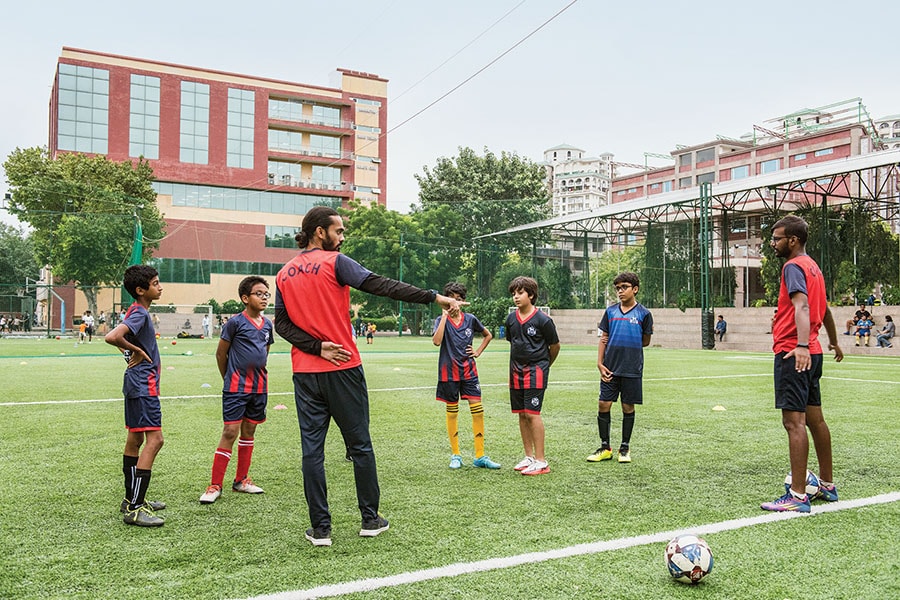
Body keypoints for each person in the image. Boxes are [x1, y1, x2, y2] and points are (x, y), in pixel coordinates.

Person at [274, 206, 464, 547]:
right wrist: (435, 297)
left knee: (311, 452)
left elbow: (282, 324)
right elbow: (383, 286)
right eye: (339, 231)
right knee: (360, 445)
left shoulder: (284, 273)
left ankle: (320, 529)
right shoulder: (336, 262)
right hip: (343, 369)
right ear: (320, 232)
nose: (342, 237)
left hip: (305, 373)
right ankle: (370, 519)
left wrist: (316, 348)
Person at [761, 215, 843, 513]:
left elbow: (803, 306)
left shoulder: (793, 266)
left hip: (794, 353)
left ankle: (797, 496)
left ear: (792, 240)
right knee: (815, 420)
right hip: (814, 350)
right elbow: (826, 310)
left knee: (793, 423)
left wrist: (800, 345)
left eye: (776, 238)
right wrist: (832, 341)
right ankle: (828, 485)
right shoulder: (814, 268)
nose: (772, 243)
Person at [200, 276, 274, 504]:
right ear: (245, 298)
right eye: (258, 293)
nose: (264, 298)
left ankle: (241, 480)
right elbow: (221, 354)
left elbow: (265, 352)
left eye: (266, 294)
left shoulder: (268, 324)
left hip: (259, 387)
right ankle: (215, 485)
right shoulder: (234, 323)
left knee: (249, 431)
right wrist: (229, 378)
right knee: (230, 432)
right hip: (235, 387)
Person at [104, 265, 167, 527]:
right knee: (156, 440)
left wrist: (130, 351)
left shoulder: (135, 310)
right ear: (141, 290)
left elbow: (122, 337)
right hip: (144, 385)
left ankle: (130, 499)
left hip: (135, 383)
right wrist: (136, 352)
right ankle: (136, 507)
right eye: (154, 283)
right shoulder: (140, 313)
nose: (160, 286)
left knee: (135, 438)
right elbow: (112, 336)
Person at [431, 281, 498, 470]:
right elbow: (436, 342)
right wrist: (444, 316)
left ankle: (480, 456)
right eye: (451, 299)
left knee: (478, 410)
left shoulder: (470, 319)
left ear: (463, 302)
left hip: (469, 371)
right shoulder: (440, 320)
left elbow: (488, 335)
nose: (455, 303)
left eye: (458, 300)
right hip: (448, 372)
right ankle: (456, 455)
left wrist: (477, 351)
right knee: (452, 412)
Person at [588, 272, 653, 464]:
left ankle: (624, 448)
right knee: (603, 404)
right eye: (617, 288)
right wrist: (600, 364)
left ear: (635, 289)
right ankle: (605, 446)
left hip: (632, 368)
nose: (620, 291)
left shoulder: (644, 314)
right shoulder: (610, 312)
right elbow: (604, 338)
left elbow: (646, 340)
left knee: (627, 406)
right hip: (610, 368)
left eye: (624, 287)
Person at [505, 276, 560, 476]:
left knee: (532, 413)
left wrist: (544, 366)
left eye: (520, 293)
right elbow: (513, 342)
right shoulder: (511, 319)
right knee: (521, 413)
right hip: (515, 371)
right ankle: (529, 457)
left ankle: (541, 461)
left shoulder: (543, 320)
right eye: (513, 294)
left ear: (531, 294)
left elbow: (555, 346)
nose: (516, 297)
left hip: (536, 371)